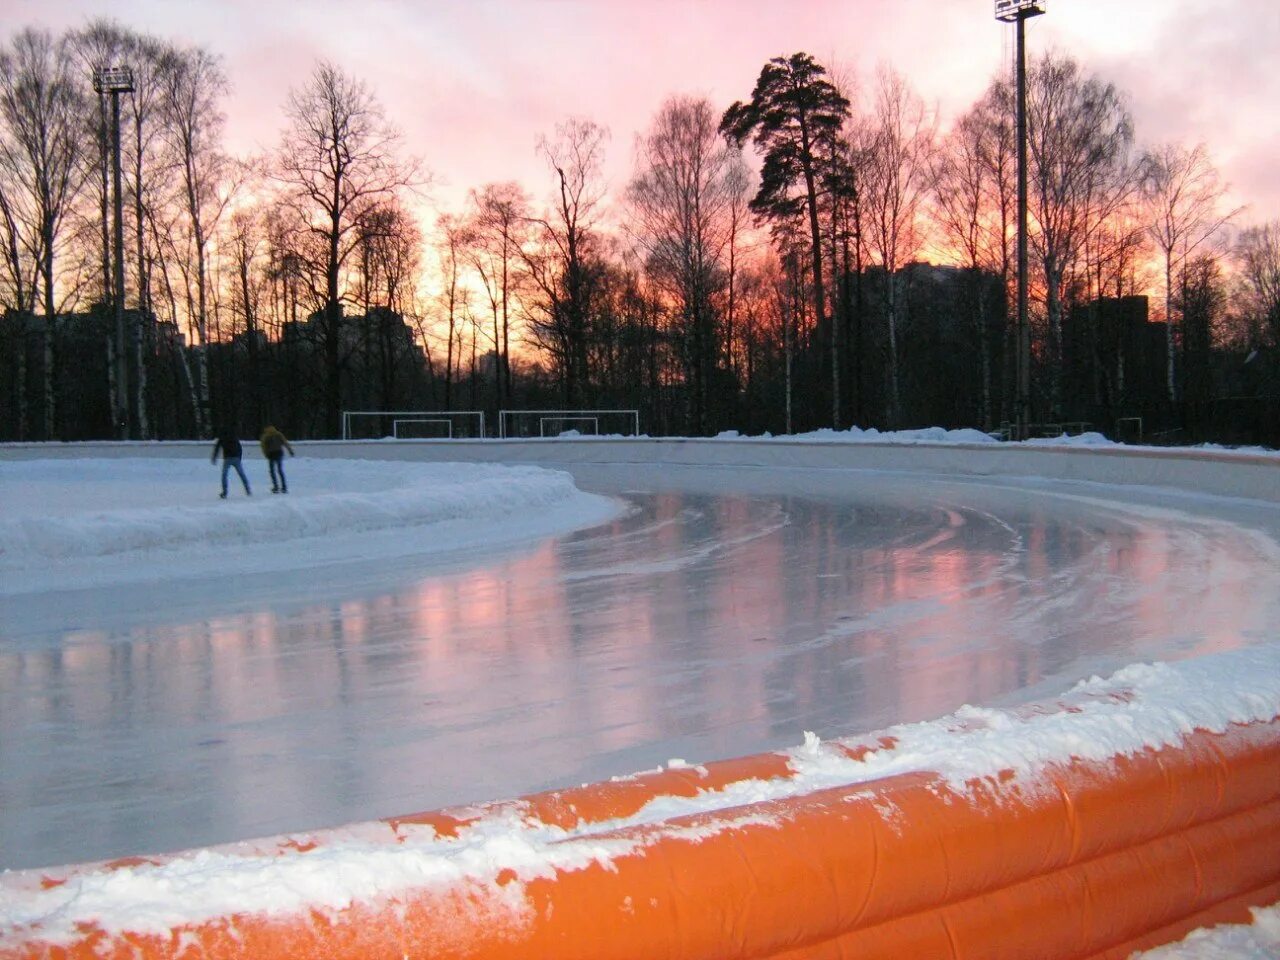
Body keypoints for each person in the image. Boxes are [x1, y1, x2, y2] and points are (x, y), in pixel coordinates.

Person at [211, 430, 251, 499]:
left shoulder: (222, 437)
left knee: (224, 475)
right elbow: (239, 447)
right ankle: (248, 490)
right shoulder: (234, 437)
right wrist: (239, 457)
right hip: (236, 458)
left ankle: (225, 492)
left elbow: (217, 448)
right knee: (241, 474)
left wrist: (214, 458)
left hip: (227, 458)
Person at [259, 424, 295, 493]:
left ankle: (276, 487)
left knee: (272, 471)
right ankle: (284, 487)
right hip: (279, 453)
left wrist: (266, 454)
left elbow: (263, 446)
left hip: (271, 454)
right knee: (280, 470)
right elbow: (285, 443)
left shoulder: (265, 436)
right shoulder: (278, 434)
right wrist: (290, 451)